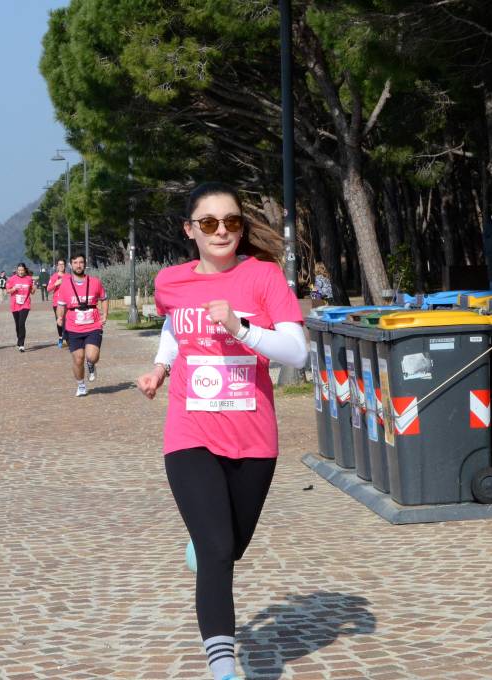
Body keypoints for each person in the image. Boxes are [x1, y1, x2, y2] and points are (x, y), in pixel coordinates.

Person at [136, 182, 307, 680]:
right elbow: (175, 326)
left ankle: (206, 544)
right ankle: (224, 666)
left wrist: (241, 328)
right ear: (189, 230)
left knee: (229, 547)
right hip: (190, 430)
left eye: (231, 221)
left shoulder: (264, 277)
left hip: (254, 435)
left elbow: (298, 353)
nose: (221, 231)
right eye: (208, 223)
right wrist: (161, 367)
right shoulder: (170, 281)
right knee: (216, 551)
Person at [56, 254, 108, 396]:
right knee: (78, 359)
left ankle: (91, 364)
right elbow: (61, 304)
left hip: (93, 326)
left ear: (85, 264)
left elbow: (104, 298)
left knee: (92, 356)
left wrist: (105, 314)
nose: (78, 265)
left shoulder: (95, 282)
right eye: (75, 262)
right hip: (73, 327)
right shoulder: (65, 284)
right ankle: (81, 385)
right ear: (70, 265)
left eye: (81, 262)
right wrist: (59, 317)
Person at [6, 262, 35, 351]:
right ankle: (19, 339)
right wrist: (13, 289)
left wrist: (34, 289)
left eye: (22, 270)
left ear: (25, 270)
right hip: (15, 304)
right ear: (17, 270)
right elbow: (7, 291)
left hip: (25, 304)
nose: (21, 272)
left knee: (21, 323)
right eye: (19, 270)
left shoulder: (29, 279)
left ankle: (21, 344)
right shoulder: (12, 279)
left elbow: (32, 292)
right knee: (17, 324)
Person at [47, 259, 69, 349]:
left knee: (67, 320)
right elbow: (48, 289)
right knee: (59, 320)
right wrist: (56, 284)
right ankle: (60, 337)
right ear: (57, 266)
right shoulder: (53, 277)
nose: (61, 266)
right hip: (57, 302)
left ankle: (67, 338)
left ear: (65, 266)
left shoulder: (69, 276)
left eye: (62, 264)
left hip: (67, 302)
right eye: (59, 264)